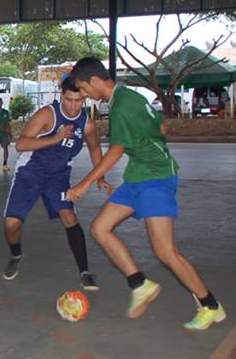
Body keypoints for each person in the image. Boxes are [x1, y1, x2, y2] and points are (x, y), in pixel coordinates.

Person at [66, 57, 226, 331]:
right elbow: (162, 126)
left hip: (155, 178)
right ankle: (140, 284)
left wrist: (84, 183)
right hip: (138, 176)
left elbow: (116, 150)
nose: (84, 95)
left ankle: (210, 305)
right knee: (100, 228)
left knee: (166, 252)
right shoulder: (129, 97)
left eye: (83, 88)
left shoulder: (122, 105)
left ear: (94, 81)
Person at [2, 76, 108, 291]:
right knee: (11, 224)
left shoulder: (86, 123)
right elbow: (21, 144)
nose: (73, 105)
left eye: (78, 101)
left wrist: (100, 176)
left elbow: (95, 148)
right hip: (30, 172)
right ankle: (16, 253)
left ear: (84, 98)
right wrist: (55, 138)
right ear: (61, 96)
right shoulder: (47, 114)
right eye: (68, 99)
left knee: (69, 217)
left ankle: (85, 272)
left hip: (58, 176)